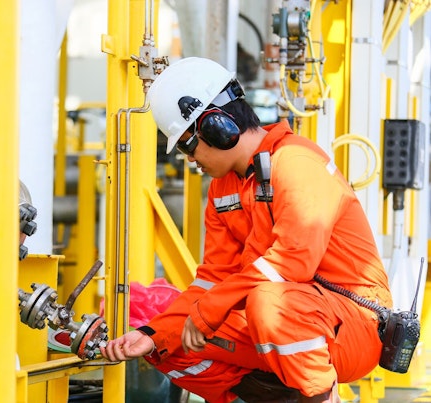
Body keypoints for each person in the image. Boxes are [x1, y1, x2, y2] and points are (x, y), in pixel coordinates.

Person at [100, 57, 392, 403]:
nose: (189, 160)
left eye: (187, 146)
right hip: (285, 318)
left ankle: (322, 397)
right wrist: (153, 334)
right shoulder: (223, 189)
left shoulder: (298, 163)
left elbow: (291, 263)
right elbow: (212, 279)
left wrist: (207, 313)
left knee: (267, 303)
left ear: (217, 128)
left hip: (352, 326)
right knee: (169, 340)